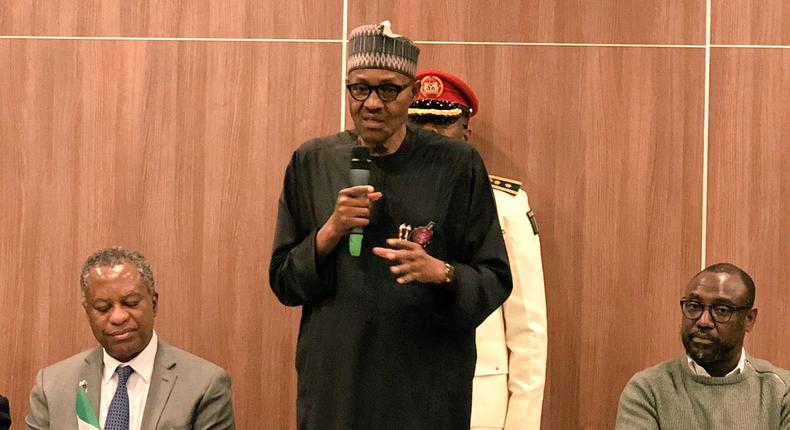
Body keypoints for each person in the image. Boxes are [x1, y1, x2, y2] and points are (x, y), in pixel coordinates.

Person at [269, 21, 512, 429]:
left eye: (387, 89)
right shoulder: (312, 161)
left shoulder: (456, 165)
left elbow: (496, 278)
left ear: (412, 93)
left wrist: (442, 272)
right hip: (336, 391)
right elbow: (283, 282)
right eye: (359, 88)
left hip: (425, 390)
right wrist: (330, 232)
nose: (372, 103)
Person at [408, 70, 548, 430]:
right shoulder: (386, 199)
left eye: (442, 125)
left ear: (465, 134)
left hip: (478, 401)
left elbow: (528, 330)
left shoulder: (503, 205)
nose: (430, 135)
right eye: (419, 124)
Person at [26, 246, 235, 430]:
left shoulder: (205, 384)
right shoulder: (52, 386)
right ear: (88, 312)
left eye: (131, 303)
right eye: (103, 308)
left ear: (153, 304)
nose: (118, 317)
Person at [616, 262, 790, 429]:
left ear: (749, 319)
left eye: (722, 310)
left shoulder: (781, 391)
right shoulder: (648, 389)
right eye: (694, 306)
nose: (703, 321)